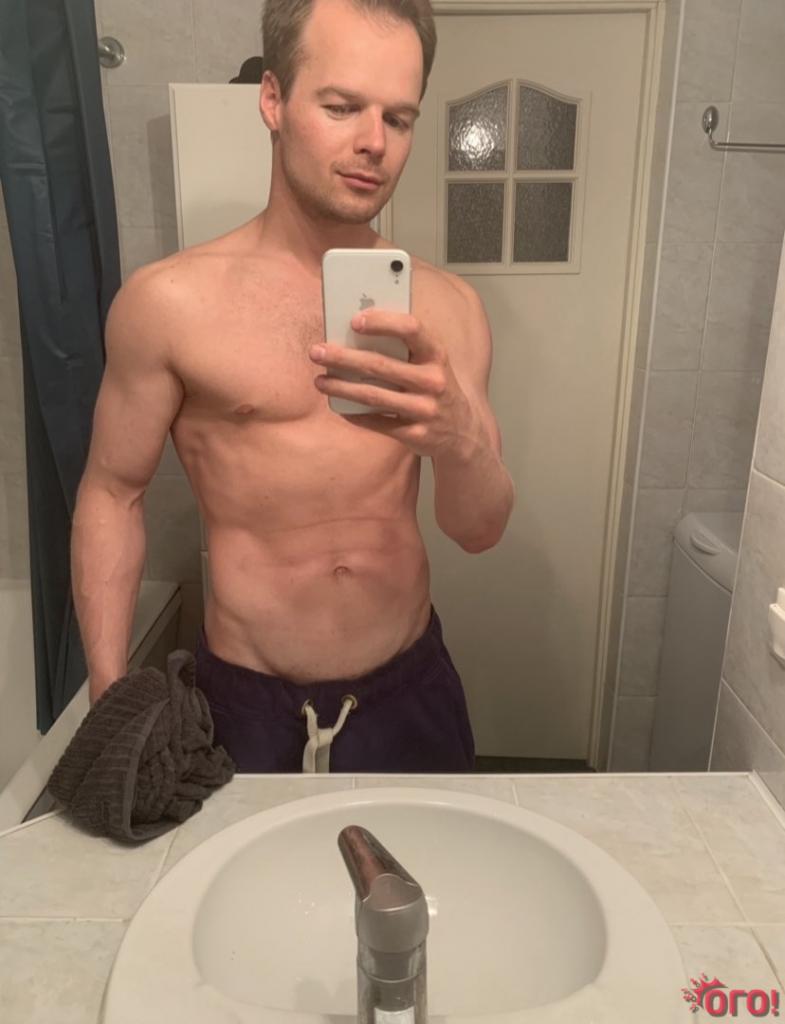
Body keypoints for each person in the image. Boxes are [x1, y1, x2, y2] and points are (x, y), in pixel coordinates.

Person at [70, 0, 515, 774]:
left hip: (409, 691)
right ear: (273, 100)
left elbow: (477, 530)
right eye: (341, 107)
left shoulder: (450, 309)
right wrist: (111, 698)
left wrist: (458, 440)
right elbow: (113, 493)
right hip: (245, 704)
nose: (373, 142)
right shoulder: (168, 303)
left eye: (398, 118)